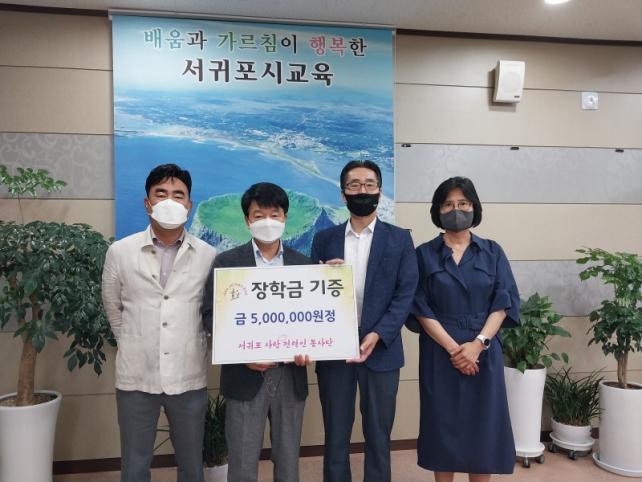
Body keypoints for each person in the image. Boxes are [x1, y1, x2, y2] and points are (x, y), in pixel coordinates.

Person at [101, 163, 216, 482]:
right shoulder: (120, 252)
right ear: (147, 202)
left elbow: (211, 312)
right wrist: (134, 343)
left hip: (188, 375)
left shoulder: (208, 255)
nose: (170, 201)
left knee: (191, 464)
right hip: (136, 376)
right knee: (135, 464)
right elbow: (113, 307)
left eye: (178, 195)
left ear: (189, 205)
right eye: (161, 193)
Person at [310, 160, 418, 482]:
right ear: (343, 193)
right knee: (335, 433)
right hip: (334, 349)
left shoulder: (400, 239)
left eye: (369, 184)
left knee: (379, 435)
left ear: (379, 192)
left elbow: (405, 293)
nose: (362, 191)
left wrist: (379, 333)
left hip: (382, 348)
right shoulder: (324, 238)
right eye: (354, 185)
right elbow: (311, 294)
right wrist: (322, 276)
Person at [408, 176, 520, 482]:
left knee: (482, 428)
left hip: (484, 351)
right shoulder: (423, 254)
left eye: (463, 203)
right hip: (439, 351)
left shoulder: (492, 251)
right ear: (437, 210)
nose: (456, 210)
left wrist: (478, 344)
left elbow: (503, 302)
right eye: (448, 204)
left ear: (474, 207)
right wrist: (454, 349)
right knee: (442, 427)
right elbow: (419, 306)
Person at [202, 182, 312, 482]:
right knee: (242, 460)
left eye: (274, 215)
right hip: (244, 375)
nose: (267, 222)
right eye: (259, 215)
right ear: (247, 220)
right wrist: (242, 355)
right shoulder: (227, 263)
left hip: (291, 375)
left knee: (288, 460)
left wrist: (312, 346)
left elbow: (314, 319)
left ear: (285, 218)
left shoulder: (304, 265)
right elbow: (211, 316)